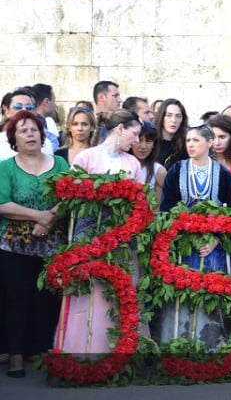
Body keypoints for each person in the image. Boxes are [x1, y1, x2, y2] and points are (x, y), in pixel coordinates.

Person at [53, 110, 147, 356]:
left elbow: (140, 203)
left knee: (121, 292)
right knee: (90, 293)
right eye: (134, 134)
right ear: (119, 129)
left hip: (122, 239)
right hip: (89, 237)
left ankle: (121, 352)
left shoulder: (132, 163)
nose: (136, 141)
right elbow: (67, 195)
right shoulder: (87, 158)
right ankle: (83, 351)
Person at [153, 124, 231, 350]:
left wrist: (216, 240)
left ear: (210, 143)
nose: (190, 145)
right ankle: (179, 346)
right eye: (188, 140)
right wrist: (179, 234)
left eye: (196, 140)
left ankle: (210, 347)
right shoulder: (177, 170)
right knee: (183, 295)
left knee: (209, 297)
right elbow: (166, 208)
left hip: (212, 249)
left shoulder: (222, 173)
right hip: (183, 247)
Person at [0, 111, 68, 378]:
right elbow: (3, 204)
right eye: (23, 130)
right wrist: (37, 216)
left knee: (47, 299)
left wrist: (49, 220)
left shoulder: (60, 162)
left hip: (51, 245)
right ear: (14, 138)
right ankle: (15, 353)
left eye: (34, 130)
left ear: (42, 134)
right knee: (16, 299)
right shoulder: (6, 167)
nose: (30, 134)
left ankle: (40, 348)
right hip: (14, 246)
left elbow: (70, 195)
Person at [129, 121, 167, 206]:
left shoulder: (159, 171)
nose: (143, 146)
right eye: (139, 140)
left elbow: (157, 208)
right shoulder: (121, 165)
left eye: (148, 141)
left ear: (154, 144)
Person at [1, 88, 41, 161]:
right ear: (7, 112)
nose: (24, 110)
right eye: (18, 107)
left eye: (29, 107)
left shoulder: (45, 143)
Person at [154, 98, 188, 169]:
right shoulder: (151, 141)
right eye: (169, 115)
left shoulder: (186, 145)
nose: (173, 120)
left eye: (178, 116)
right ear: (161, 117)